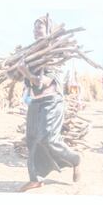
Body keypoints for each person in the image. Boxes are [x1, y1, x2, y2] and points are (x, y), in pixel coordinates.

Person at [15, 16, 81, 192]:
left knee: (48, 139)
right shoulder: (32, 54)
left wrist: (25, 71)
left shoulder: (54, 54)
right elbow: (25, 80)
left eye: (41, 26)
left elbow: (42, 82)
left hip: (52, 102)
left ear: (49, 30)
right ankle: (36, 179)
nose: (36, 29)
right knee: (31, 140)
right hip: (35, 103)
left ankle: (75, 160)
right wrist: (19, 70)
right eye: (34, 26)